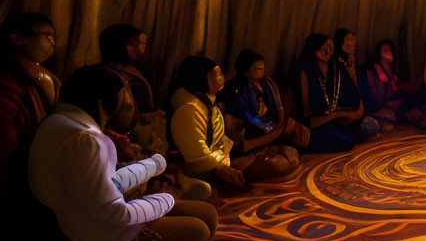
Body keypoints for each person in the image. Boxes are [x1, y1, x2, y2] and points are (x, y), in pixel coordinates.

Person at [29, 65, 217, 241]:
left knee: (207, 214)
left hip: (81, 218)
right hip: (91, 237)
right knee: (199, 230)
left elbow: (101, 187)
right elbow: (111, 212)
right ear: (103, 102)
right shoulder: (87, 140)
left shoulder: (61, 122)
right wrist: (160, 202)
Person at [0, 13, 61, 230]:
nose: (52, 43)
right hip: (11, 183)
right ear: (18, 39)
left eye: (54, 38)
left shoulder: (40, 75)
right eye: (47, 36)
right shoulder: (3, 83)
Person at [171, 55, 298, 185]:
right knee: (280, 164)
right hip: (215, 167)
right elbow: (198, 155)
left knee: (289, 153)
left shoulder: (210, 104)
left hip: (229, 154)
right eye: (217, 75)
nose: (221, 79)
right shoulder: (190, 110)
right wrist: (226, 166)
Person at [294, 34, 381, 152]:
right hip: (320, 122)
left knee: (370, 126)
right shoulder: (305, 70)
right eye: (324, 48)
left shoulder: (336, 66)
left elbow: (354, 96)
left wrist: (348, 114)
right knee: (343, 141)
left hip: (343, 117)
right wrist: (335, 115)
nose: (328, 52)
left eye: (331, 48)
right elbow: (308, 113)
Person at [98, 23, 168, 157]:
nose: (139, 48)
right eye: (134, 43)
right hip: (126, 140)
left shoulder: (131, 70)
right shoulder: (109, 75)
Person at [221, 50, 310, 149]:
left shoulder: (267, 83)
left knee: (302, 131)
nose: (262, 71)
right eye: (257, 69)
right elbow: (246, 115)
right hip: (253, 131)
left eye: (262, 68)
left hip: (271, 124)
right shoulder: (237, 89)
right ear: (246, 71)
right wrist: (269, 127)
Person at [365, 39, 409, 128]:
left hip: (389, 107)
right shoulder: (373, 71)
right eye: (386, 50)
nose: (389, 52)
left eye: (391, 50)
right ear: (379, 53)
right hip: (375, 106)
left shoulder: (393, 74)